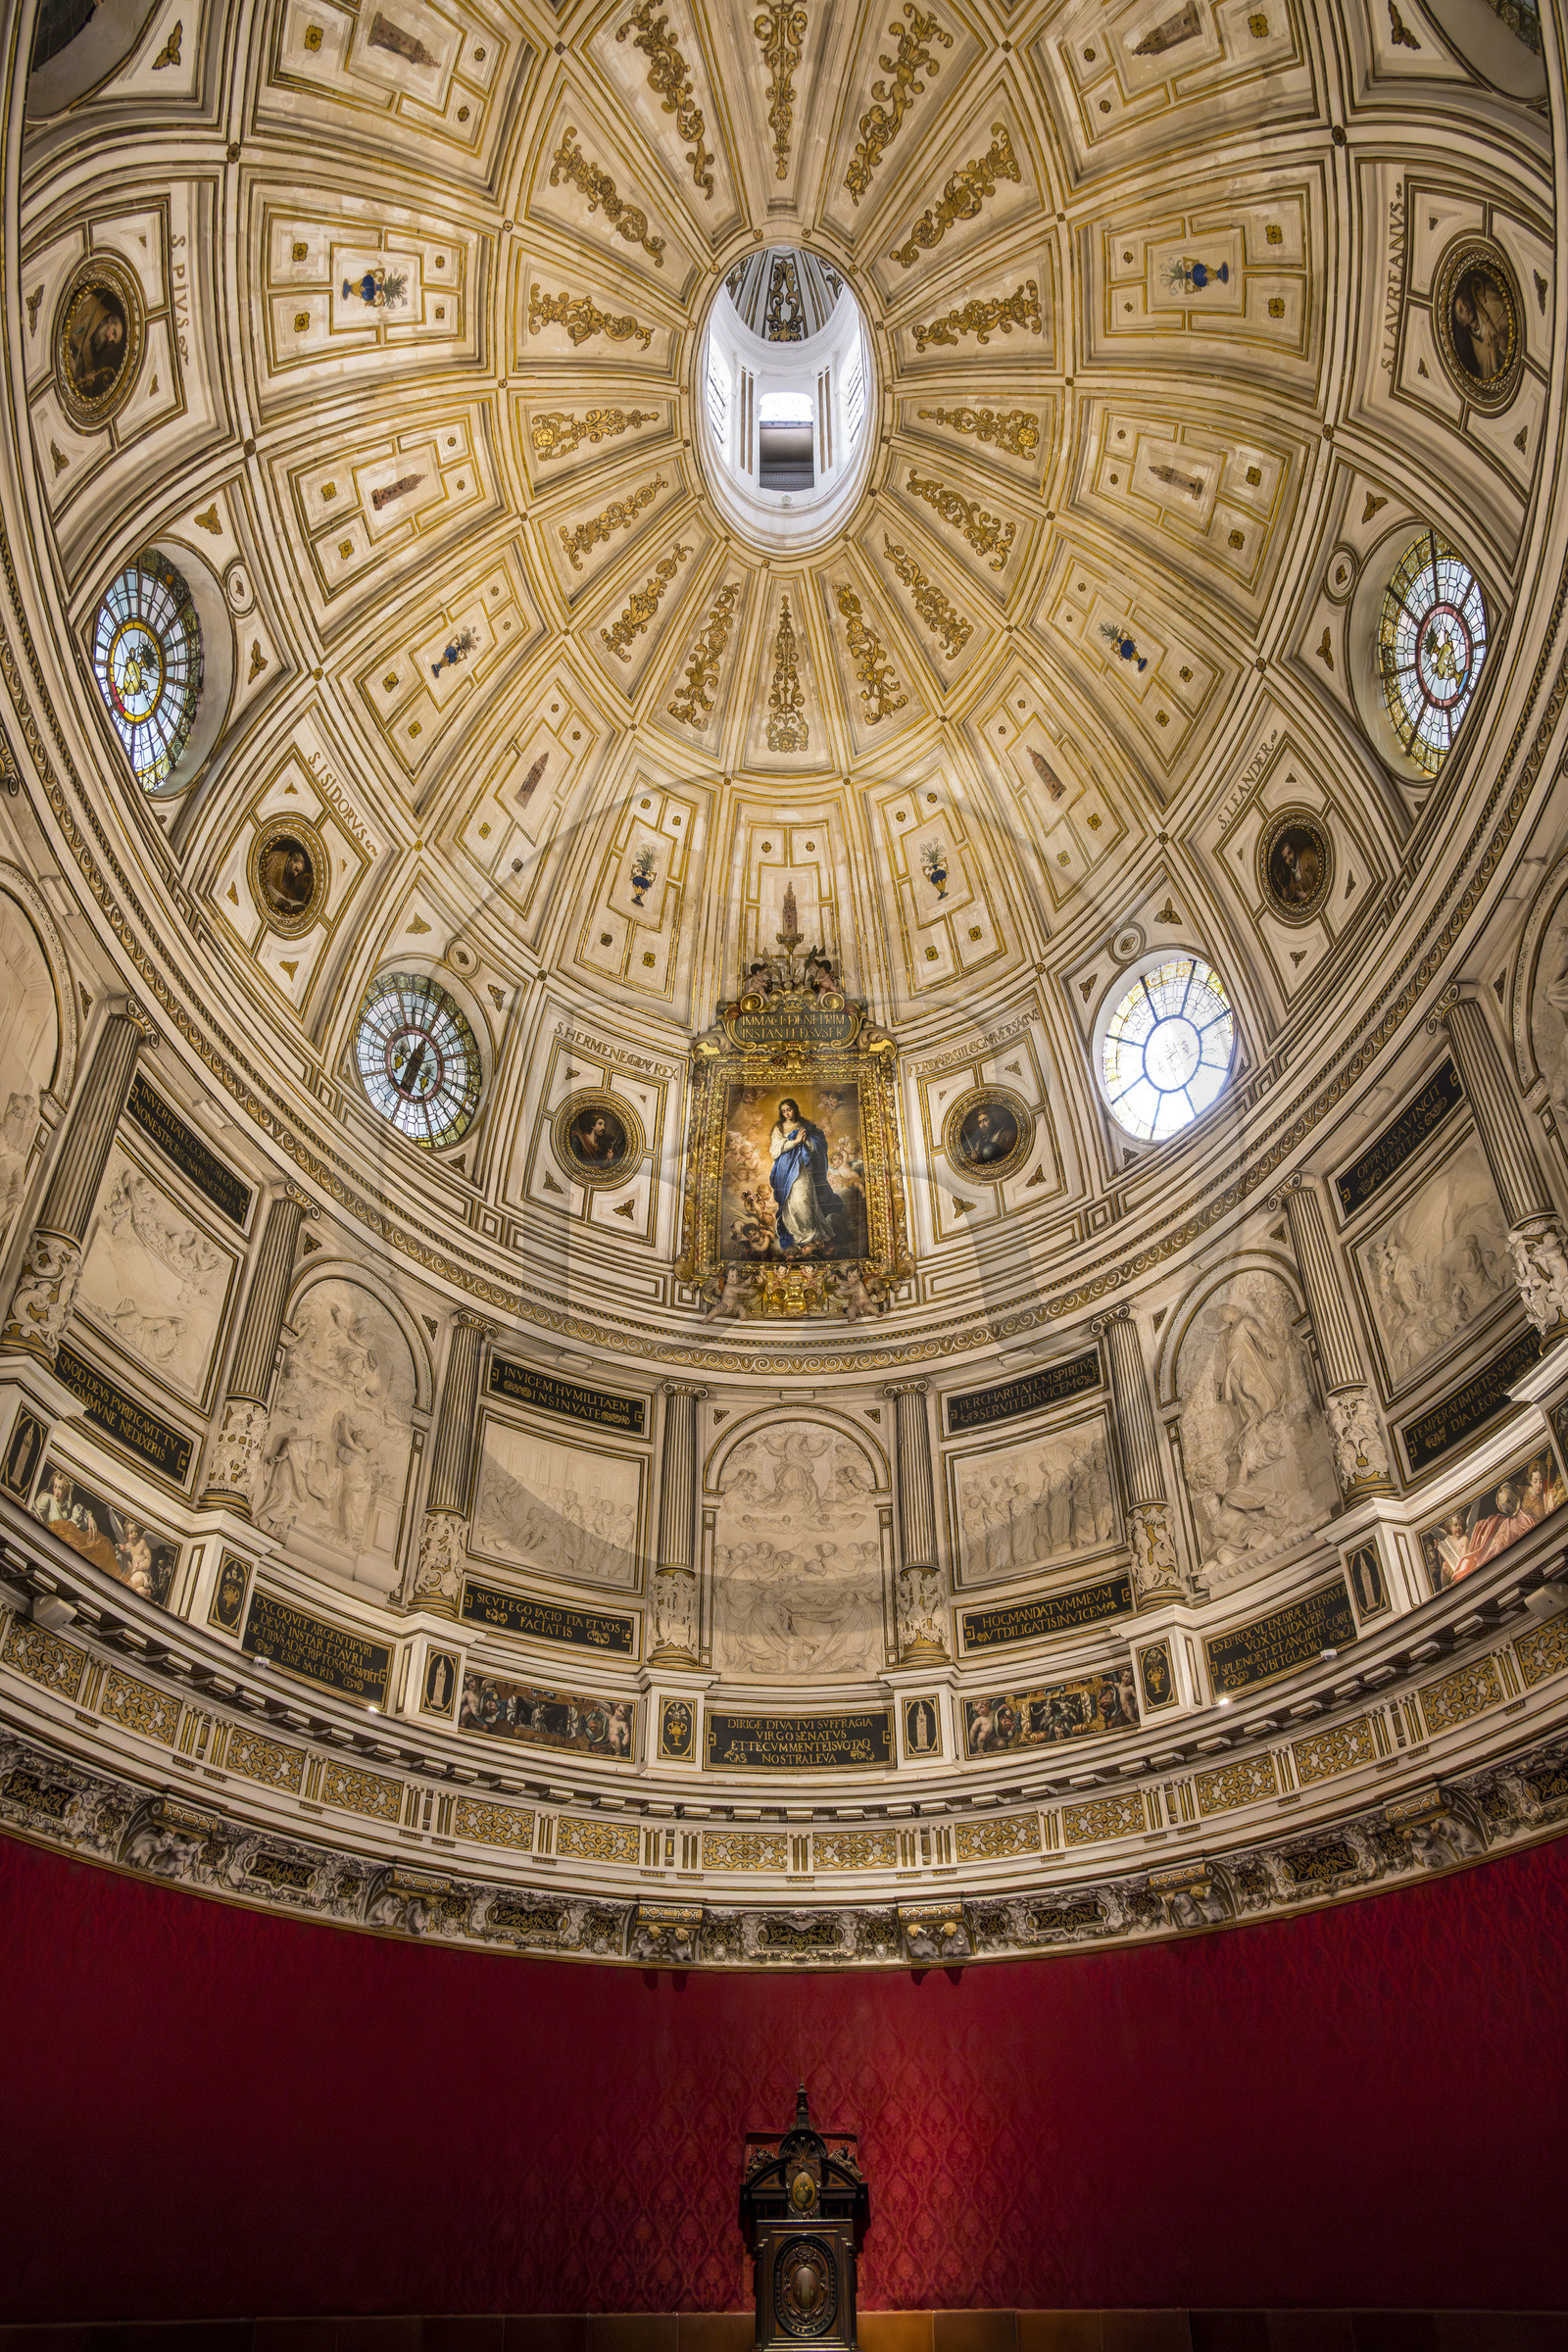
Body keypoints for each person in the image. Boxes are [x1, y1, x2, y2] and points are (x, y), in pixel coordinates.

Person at [767, 1098, 841, 1254]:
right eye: (784, 1111)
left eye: (789, 1109)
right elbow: (775, 1149)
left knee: (804, 1198)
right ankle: (795, 1235)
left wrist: (806, 1140)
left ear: (794, 1109)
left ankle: (809, 1234)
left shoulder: (805, 1125)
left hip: (803, 1167)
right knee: (791, 1201)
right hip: (785, 1169)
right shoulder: (779, 1128)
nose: (787, 1113)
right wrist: (794, 1142)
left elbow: (818, 1143)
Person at [65, 284, 128, 403]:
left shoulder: (96, 352)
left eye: (114, 340)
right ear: (111, 320)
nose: (110, 339)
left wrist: (85, 381)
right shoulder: (90, 303)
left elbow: (77, 378)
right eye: (113, 333)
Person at [1451, 268, 1511, 382]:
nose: (1466, 307)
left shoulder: (1487, 298)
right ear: (1462, 322)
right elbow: (1489, 377)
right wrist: (1494, 364)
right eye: (1461, 310)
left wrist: (1504, 338)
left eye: (1465, 302)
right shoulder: (1476, 349)